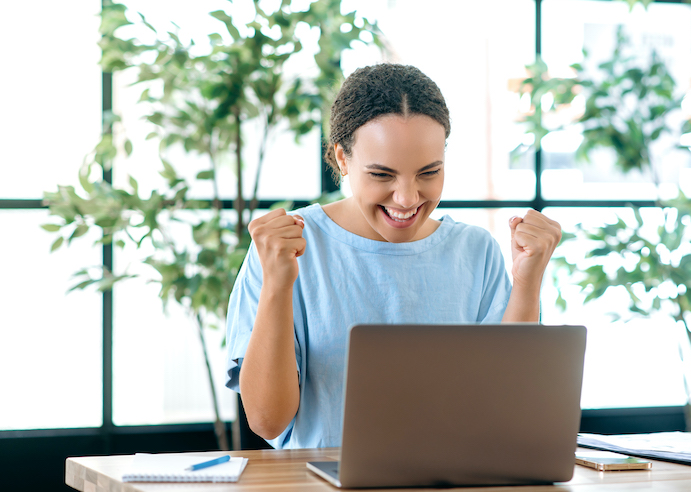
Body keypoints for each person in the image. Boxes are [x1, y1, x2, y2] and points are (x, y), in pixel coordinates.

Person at [225, 63, 562, 449]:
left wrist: (527, 282)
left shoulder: (474, 251)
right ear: (342, 159)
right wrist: (278, 285)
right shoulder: (288, 247)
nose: (407, 198)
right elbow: (268, 421)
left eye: (429, 172)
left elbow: (509, 408)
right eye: (383, 175)